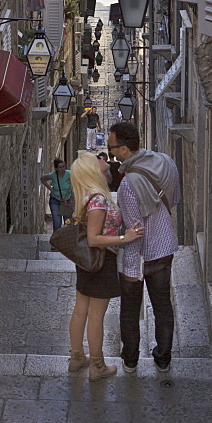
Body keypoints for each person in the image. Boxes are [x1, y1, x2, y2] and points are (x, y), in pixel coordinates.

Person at [108, 121, 180, 374]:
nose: (111, 154)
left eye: (112, 148)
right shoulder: (166, 162)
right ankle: (163, 359)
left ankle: (130, 359)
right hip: (164, 247)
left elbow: (134, 231)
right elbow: (174, 198)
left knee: (129, 310)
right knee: (162, 306)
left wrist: (130, 267)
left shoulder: (128, 185)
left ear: (125, 149)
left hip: (138, 257)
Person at [67, 153, 143, 380]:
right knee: (96, 315)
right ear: (92, 168)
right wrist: (125, 238)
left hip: (87, 262)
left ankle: (77, 357)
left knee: (81, 310)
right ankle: (97, 366)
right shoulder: (99, 200)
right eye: (98, 158)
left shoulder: (87, 195)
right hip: (100, 261)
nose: (103, 159)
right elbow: (93, 239)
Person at [40, 158, 73, 233]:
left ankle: (66, 238)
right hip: (55, 200)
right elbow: (42, 179)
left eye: (64, 166)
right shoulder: (53, 175)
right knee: (57, 221)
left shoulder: (69, 174)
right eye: (60, 167)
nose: (63, 169)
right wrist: (50, 189)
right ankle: (56, 239)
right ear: (56, 168)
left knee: (67, 222)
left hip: (67, 201)